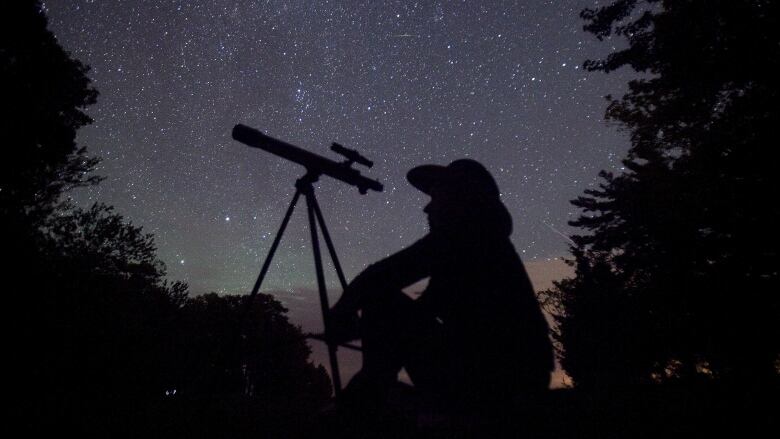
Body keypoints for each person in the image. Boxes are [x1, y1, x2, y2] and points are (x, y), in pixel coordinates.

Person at [328, 159, 553, 414]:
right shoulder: (482, 242)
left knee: (382, 302)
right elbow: (423, 310)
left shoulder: (464, 236)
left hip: (501, 380)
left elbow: (383, 276)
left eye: (437, 197)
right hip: (511, 375)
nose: (428, 208)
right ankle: (370, 394)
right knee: (386, 309)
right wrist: (370, 329)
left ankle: (365, 400)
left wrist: (342, 313)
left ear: (459, 199)